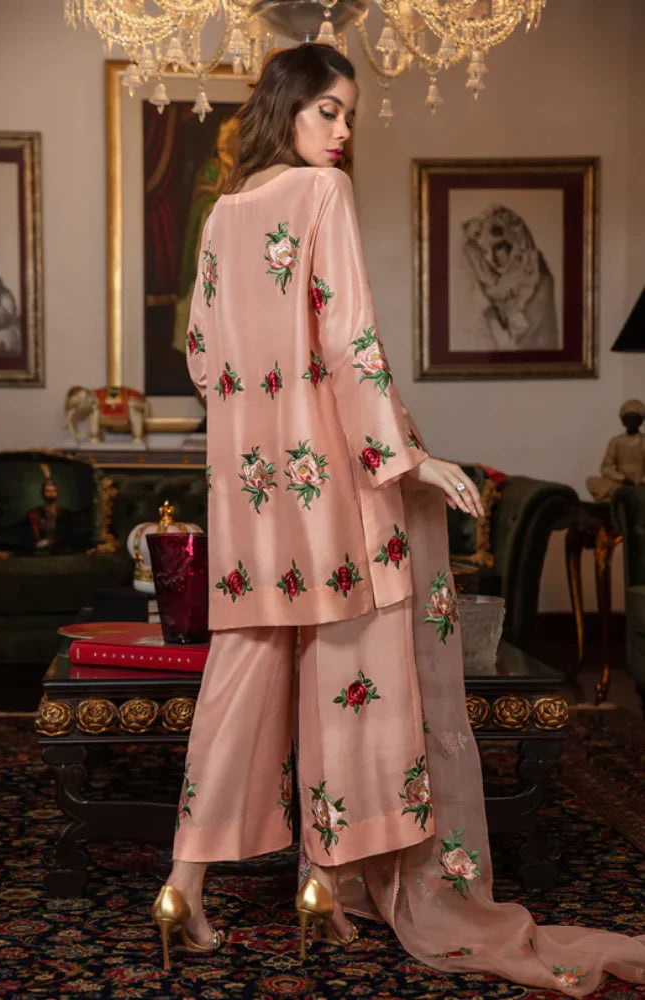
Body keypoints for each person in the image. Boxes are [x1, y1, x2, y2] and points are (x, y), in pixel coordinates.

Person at [151, 44, 645, 995]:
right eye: (329, 111)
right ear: (289, 107)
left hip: (252, 500)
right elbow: (350, 341)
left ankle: (184, 888)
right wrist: (408, 459)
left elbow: (204, 358)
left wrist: (264, 421)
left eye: (350, 115)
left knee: (239, 685)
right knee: (351, 683)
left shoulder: (222, 213)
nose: (344, 131)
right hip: (333, 492)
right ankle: (327, 880)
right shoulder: (321, 195)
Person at [587, 398, 645, 502]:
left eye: (635, 419)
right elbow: (606, 467)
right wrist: (622, 479)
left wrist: (642, 482)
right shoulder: (616, 441)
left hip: (640, 486)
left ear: (641, 421)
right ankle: (621, 495)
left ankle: (631, 495)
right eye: (628, 419)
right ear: (623, 421)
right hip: (621, 484)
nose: (631, 422)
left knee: (638, 492)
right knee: (591, 481)